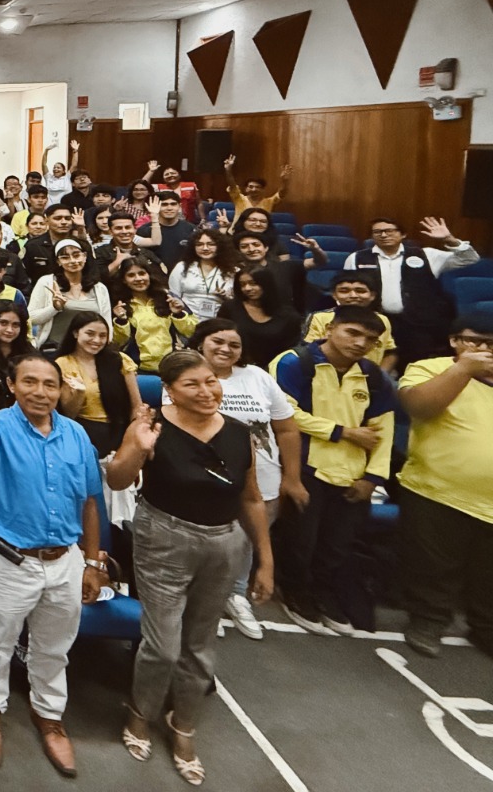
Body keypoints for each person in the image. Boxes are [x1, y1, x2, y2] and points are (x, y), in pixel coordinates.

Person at [105, 351, 274, 787]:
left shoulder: (239, 433)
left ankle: (184, 726)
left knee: (199, 647)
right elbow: (118, 480)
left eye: (211, 382)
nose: (207, 391)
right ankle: (140, 713)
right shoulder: (150, 427)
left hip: (224, 543)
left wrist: (264, 558)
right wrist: (139, 452)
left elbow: (251, 498)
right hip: (164, 536)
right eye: (193, 385)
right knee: (162, 646)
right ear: (170, 391)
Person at [0, 353, 108, 778]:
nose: (40, 392)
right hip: (10, 558)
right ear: (12, 384)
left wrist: (93, 562)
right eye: (30, 382)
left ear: (61, 390)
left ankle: (49, 716)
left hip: (66, 559)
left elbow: (90, 500)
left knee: (54, 646)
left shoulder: (77, 434)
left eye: (49, 384)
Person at [270, 307, 394, 635]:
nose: (360, 343)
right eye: (352, 333)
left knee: (337, 544)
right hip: (307, 466)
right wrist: (343, 431)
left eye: (370, 339)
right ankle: (295, 589)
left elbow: (384, 428)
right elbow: (284, 414)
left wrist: (373, 477)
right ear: (331, 327)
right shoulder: (294, 362)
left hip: (352, 472)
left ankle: (323, 591)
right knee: (301, 540)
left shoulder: (373, 375)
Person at [189, 318, 304, 641]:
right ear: (201, 343)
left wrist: (292, 477)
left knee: (247, 543)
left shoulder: (258, 377)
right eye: (218, 342)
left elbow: (286, 428)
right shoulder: (185, 373)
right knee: (209, 542)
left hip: (263, 476)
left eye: (234, 345)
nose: (226, 349)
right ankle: (202, 601)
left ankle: (235, 595)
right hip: (208, 477)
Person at [394, 312, 493, 659]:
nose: (484, 349)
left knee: (489, 576)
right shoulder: (430, 367)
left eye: (491, 344)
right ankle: (429, 620)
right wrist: (464, 369)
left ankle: (486, 629)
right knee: (434, 568)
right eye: (474, 341)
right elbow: (418, 407)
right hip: (437, 490)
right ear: (454, 341)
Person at [344, 216, 479, 363]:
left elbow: (470, 258)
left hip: (418, 324)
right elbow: (348, 287)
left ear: (403, 234)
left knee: (413, 364)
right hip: (376, 321)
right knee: (374, 363)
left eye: (389, 231)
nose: (383, 235)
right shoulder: (357, 258)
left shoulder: (426, 254)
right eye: (377, 232)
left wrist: (449, 238)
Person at [55, 310, 139, 456]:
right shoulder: (63, 364)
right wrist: (79, 394)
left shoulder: (119, 360)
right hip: (82, 430)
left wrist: (132, 439)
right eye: (90, 334)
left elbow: (136, 406)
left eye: (102, 336)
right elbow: (68, 415)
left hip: (120, 428)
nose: (97, 340)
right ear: (76, 333)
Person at [110, 259, 196, 373]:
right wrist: (121, 321)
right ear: (124, 280)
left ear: (149, 275)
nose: (139, 279)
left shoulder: (167, 298)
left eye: (142, 273)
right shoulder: (119, 305)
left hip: (171, 366)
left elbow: (192, 331)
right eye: (131, 275)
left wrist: (178, 314)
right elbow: (117, 342)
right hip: (136, 369)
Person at [27, 237, 109, 353]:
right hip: (54, 349)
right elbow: (31, 318)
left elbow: (107, 324)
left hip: (90, 350)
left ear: (84, 256)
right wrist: (54, 308)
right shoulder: (47, 282)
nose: (73, 261)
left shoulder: (99, 288)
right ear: (58, 261)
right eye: (65, 257)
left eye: (76, 255)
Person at [303, 270, 397, 370]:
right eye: (344, 291)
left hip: (369, 377)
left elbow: (390, 352)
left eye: (360, 291)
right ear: (334, 295)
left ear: (372, 295)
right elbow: (310, 350)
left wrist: (379, 376)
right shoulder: (320, 317)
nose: (353, 295)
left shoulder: (382, 319)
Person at [221, 268, 301, 368]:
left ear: (266, 284)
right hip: (236, 366)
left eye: (253, 283)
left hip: (274, 369)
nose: (247, 288)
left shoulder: (289, 316)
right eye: (242, 284)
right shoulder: (229, 307)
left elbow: (291, 351)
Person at [168, 230, 233, 318]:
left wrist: (225, 297)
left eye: (211, 244)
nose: (205, 248)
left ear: (220, 246)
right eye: (199, 244)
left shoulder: (232, 271)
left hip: (219, 322)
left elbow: (239, 303)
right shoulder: (182, 267)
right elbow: (173, 296)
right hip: (186, 320)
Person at [138, 191, 196, 268]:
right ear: (156, 207)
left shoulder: (191, 229)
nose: (169, 208)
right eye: (164, 204)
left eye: (173, 204)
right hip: (154, 276)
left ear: (179, 207)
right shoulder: (144, 230)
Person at [221, 155, 290, 219]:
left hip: (260, 231)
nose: (254, 189)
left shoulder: (269, 201)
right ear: (245, 189)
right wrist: (228, 170)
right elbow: (232, 185)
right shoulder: (239, 198)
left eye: (258, 187)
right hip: (239, 231)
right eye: (250, 187)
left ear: (263, 190)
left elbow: (282, 193)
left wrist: (284, 181)